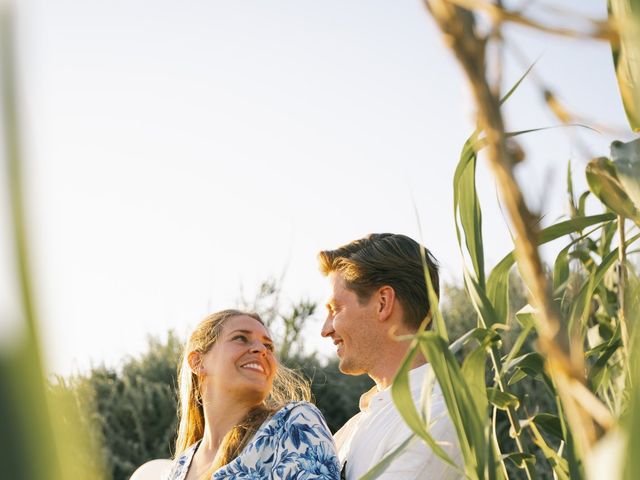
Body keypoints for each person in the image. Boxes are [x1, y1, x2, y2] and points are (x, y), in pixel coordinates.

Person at [318, 233, 463, 479]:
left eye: (336, 309)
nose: (325, 329)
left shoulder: (433, 419)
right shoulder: (353, 428)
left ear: (383, 303)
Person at [163, 309, 340, 480]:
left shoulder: (294, 423)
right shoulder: (179, 466)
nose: (261, 349)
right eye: (241, 338)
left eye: (268, 346)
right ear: (198, 362)